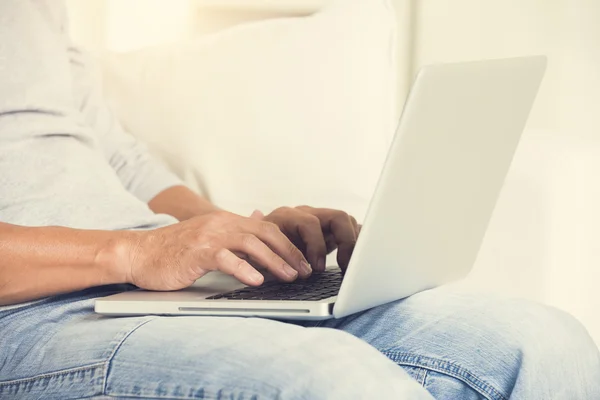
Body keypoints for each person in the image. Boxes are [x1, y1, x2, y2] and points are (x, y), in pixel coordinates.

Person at [0, 1, 598, 399]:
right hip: (30, 314)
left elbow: (116, 153)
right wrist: (131, 253)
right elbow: (131, 249)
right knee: (335, 382)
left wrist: (231, 234)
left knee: (540, 341)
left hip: (148, 286)